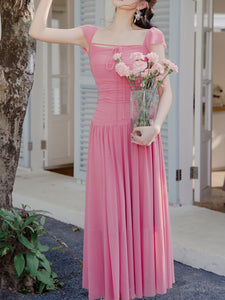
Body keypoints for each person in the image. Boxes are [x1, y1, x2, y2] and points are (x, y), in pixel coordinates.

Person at [29, 0, 175, 299]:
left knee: (140, 211)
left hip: (140, 133)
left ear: (143, 3)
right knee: (109, 211)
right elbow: (37, 30)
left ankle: (137, 283)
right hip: (104, 132)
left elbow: (165, 91)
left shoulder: (152, 37)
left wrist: (156, 127)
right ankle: (115, 285)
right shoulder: (89, 34)